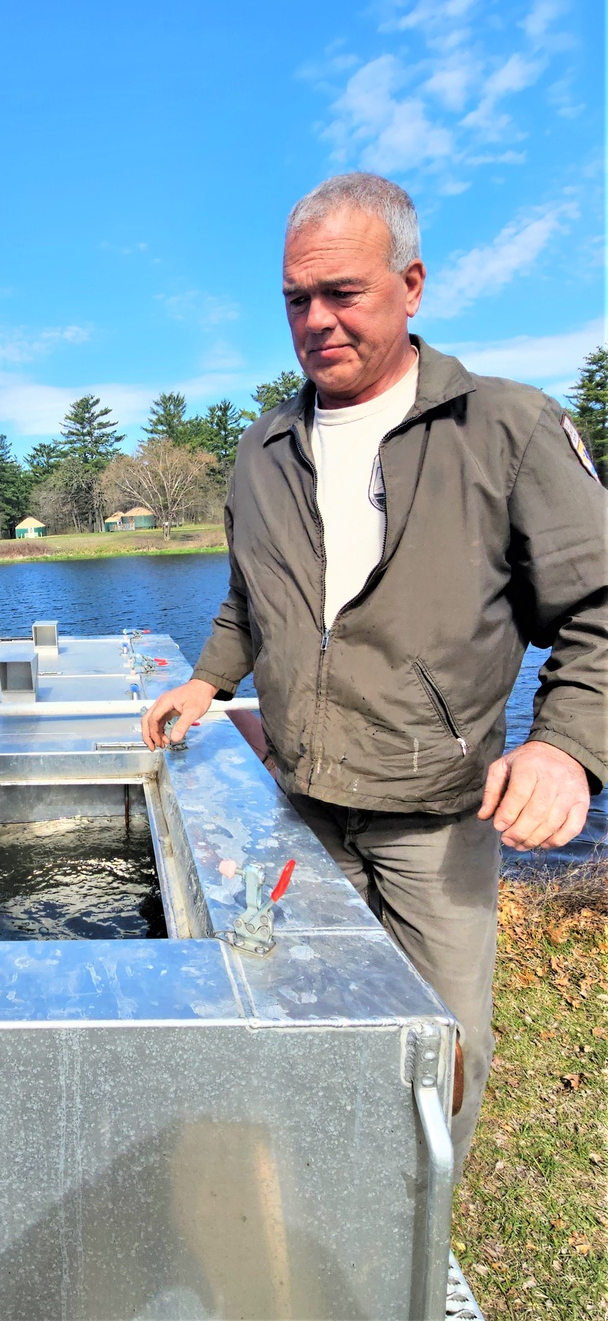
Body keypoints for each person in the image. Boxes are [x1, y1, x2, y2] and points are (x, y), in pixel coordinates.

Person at [141, 172, 608, 1177]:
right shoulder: (260, 449)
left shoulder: (507, 429)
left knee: (441, 1046)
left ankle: (406, 1233)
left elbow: (597, 611)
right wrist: (208, 681)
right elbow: (247, 601)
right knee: (301, 1017)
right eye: (295, 301)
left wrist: (565, 748)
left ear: (411, 284)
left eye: (342, 292)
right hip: (299, 802)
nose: (316, 321)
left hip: (435, 815)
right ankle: (320, 1203)